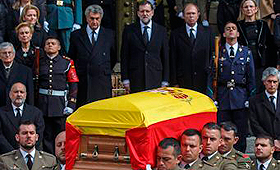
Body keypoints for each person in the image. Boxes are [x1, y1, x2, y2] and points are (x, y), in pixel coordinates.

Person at [207, 21, 256, 153]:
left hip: (240, 98)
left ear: (238, 33)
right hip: (223, 97)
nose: (230, 30)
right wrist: (211, 97)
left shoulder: (246, 52)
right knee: (222, 131)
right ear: (224, 33)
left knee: (240, 131)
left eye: (233, 28)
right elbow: (211, 77)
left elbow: (251, 77)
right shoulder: (218, 52)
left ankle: (239, 156)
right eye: (227, 29)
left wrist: (250, 98)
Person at [68, 4, 116, 107]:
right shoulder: (76, 35)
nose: (94, 22)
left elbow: (113, 57)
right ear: (86, 18)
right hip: (83, 80)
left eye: (97, 19)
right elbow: (72, 57)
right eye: (92, 18)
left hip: (101, 80)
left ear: (101, 18)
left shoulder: (109, 35)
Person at [38, 36, 78, 154]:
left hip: (60, 105)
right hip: (43, 104)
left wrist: (71, 104)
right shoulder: (39, 62)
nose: (50, 45)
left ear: (59, 47)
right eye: (48, 43)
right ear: (44, 47)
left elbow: (73, 84)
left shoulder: (67, 63)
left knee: (60, 135)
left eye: (53, 43)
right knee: (46, 136)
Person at [121, 1, 169, 93]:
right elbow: (124, 56)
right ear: (138, 13)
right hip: (136, 78)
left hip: (156, 77)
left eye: (147, 11)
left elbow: (165, 56)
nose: (145, 14)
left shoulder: (161, 31)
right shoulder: (129, 30)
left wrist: (165, 80)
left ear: (152, 12)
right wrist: (126, 79)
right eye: (142, 11)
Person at [170, 3, 213, 94]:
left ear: (198, 14)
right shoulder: (175, 34)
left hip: (204, 80)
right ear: (184, 16)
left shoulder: (208, 32)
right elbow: (173, 59)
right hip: (184, 81)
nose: (191, 16)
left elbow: (212, 55)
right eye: (188, 14)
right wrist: (174, 82)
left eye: (193, 13)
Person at [237, 0, 275, 93]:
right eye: (246, 7)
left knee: (260, 89)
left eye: (251, 6)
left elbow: (270, 44)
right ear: (242, 9)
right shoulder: (238, 25)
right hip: (244, 62)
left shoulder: (263, 24)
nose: (249, 9)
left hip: (260, 62)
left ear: (256, 9)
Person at [0, 82, 44, 154]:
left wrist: (27, 151)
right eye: (16, 92)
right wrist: (13, 152)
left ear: (25, 95)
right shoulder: (1, 112)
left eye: (22, 92)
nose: (19, 94)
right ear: (10, 94)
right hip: (6, 155)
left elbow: (39, 135)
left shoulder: (36, 113)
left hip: (29, 154)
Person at [249, 67, 280, 160]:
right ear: (264, 82)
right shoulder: (254, 101)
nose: (272, 84)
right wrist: (271, 142)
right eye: (269, 81)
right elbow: (254, 123)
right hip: (265, 145)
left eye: (275, 82)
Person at [0, 42, 34, 107]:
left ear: (14, 54)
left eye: (9, 52)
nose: (7, 55)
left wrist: (30, 112)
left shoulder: (26, 71)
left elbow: (30, 95)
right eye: (4, 53)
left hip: (18, 110)